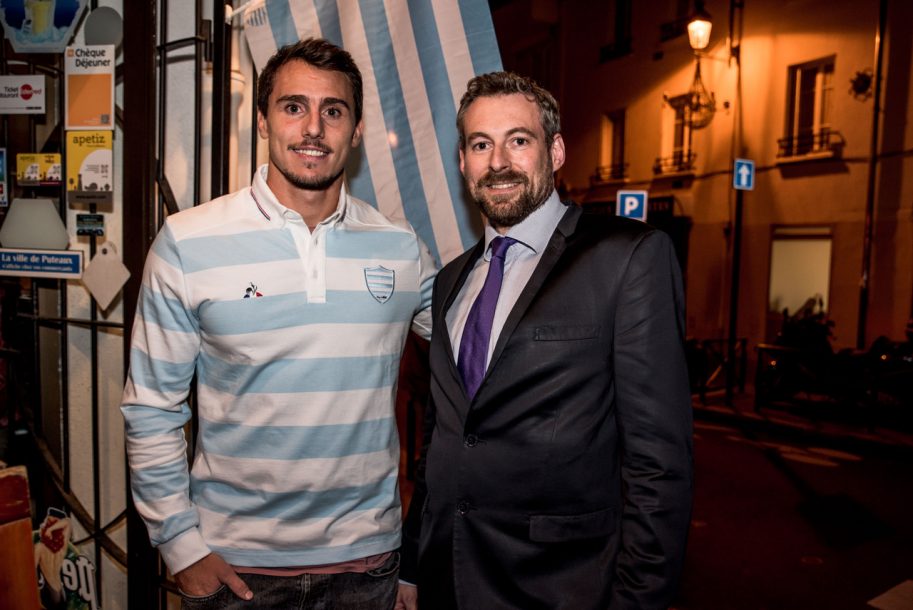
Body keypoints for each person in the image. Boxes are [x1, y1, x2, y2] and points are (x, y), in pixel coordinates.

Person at [121, 38, 436, 609]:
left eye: (333, 111)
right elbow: (150, 408)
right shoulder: (187, 243)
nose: (313, 127)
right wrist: (181, 547)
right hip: (236, 572)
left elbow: (484, 347)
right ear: (264, 122)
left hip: (367, 568)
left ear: (356, 129)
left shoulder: (400, 248)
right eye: (294, 107)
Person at [400, 72, 693, 609]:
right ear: (463, 161)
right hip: (447, 581)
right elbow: (441, 441)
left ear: (555, 151)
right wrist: (414, 564)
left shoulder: (627, 257)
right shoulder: (449, 282)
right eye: (481, 144)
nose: (499, 162)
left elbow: (659, 464)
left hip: (562, 588)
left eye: (519, 140)